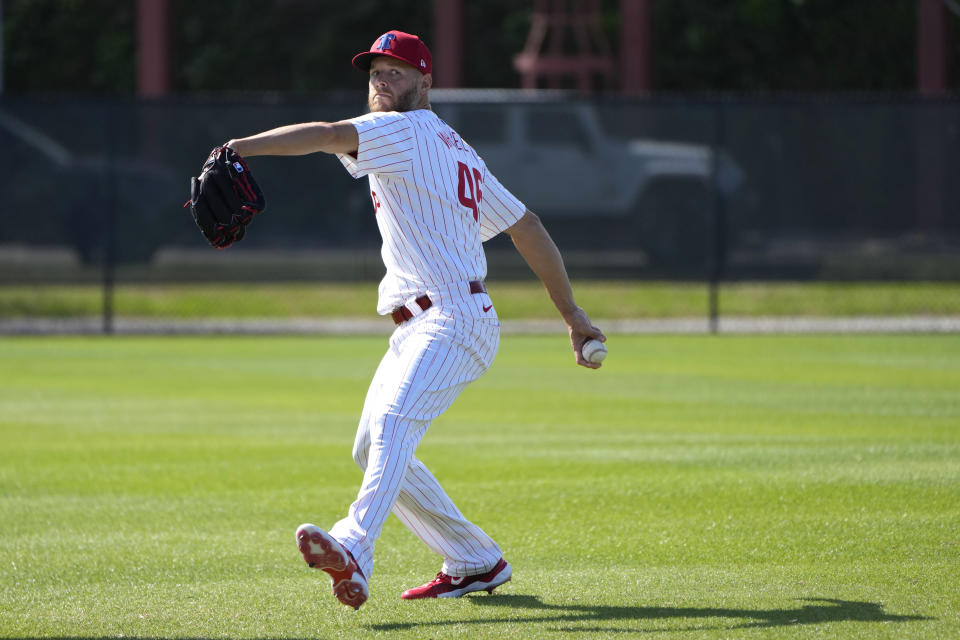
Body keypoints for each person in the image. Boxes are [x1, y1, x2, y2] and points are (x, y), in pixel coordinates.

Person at [223, 30, 606, 610]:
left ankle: (354, 544)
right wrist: (573, 316)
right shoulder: (456, 147)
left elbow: (328, 136)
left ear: (425, 83)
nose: (382, 79)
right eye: (375, 70)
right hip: (431, 320)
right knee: (371, 444)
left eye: (396, 71)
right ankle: (475, 559)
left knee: (396, 423)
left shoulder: (401, 130)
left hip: (450, 317)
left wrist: (239, 147)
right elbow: (526, 226)